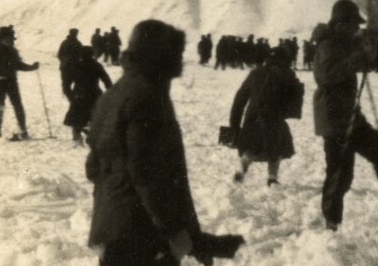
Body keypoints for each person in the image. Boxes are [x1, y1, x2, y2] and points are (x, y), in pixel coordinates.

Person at [86, 19, 243, 266]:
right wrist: (174, 230)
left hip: (112, 228)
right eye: (176, 54)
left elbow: (93, 168)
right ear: (162, 56)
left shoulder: (112, 96)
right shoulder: (147, 98)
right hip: (143, 233)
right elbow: (146, 172)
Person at [312, 0, 378, 232]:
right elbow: (327, 75)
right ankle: (331, 223)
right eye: (353, 24)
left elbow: (364, 48)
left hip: (350, 116)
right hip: (333, 118)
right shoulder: (327, 45)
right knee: (340, 176)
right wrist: (357, 58)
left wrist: (374, 37)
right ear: (340, 23)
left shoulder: (343, 41)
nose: (356, 28)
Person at [229, 47, 299, 186]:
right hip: (275, 117)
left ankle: (242, 168)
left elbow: (240, 98)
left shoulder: (256, 72)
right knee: (276, 148)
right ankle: (272, 178)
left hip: (253, 116)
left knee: (251, 147)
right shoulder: (287, 73)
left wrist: (234, 124)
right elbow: (294, 98)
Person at [0, 26, 40, 140]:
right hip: (5, 82)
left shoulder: (0, 50)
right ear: (2, 39)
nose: (11, 41)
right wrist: (32, 67)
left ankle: (6, 130)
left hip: (4, 81)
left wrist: (32, 67)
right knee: (10, 105)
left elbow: (19, 65)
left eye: (11, 39)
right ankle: (14, 130)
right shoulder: (7, 51)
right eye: (9, 39)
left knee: (7, 104)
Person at [63, 46, 112, 145]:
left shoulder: (76, 66)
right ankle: (92, 136)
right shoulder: (96, 65)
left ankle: (77, 138)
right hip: (94, 94)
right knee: (95, 116)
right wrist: (110, 91)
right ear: (92, 54)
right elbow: (106, 79)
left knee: (77, 118)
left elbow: (66, 83)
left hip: (79, 95)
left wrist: (71, 96)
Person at [58, 28, 83, 102]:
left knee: (65, 86)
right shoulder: (78, 43)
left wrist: (64, 61)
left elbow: (59, 55)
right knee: (78, 84)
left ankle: (72, 99)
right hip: (76, 67)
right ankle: (75, 100)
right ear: (76, 34)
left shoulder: (64, 43)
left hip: (65, 67)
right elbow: (81, 56)